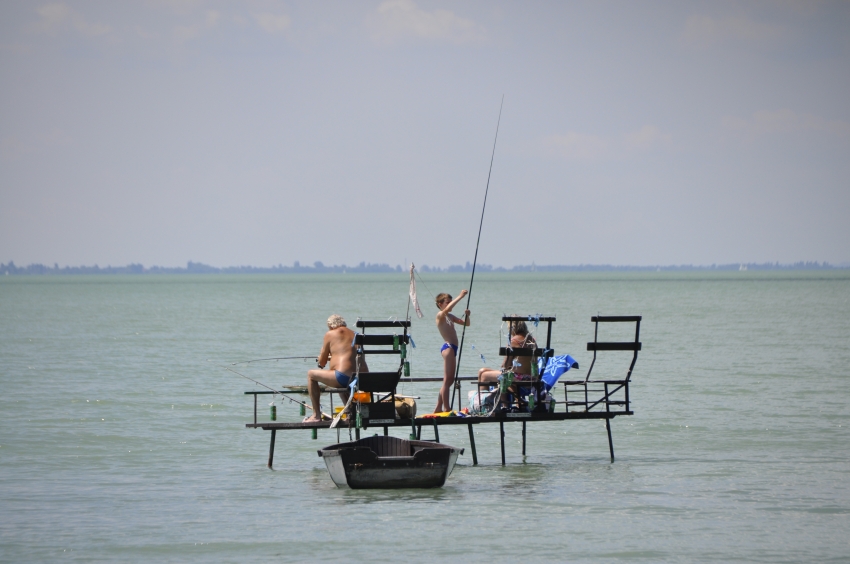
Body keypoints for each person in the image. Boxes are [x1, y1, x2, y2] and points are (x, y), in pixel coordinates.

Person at [304, 314, 364, 422]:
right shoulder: (356, 334)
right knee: (339, 382)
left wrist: (322, 358)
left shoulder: (330, 334)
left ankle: (316, 415)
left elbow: (321, 363)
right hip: (361, 379)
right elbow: (348, 355)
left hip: (343, 377)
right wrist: (332, 357)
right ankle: (350, 413)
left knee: (311, 375)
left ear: (330, 326)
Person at [478, 319, 536, 412]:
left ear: (512, 328)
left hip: (518, 377)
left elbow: (505, 366)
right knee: (483, 370)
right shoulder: (531, 340)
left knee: (484, 375)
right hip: (532, 377)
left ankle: (485, 406)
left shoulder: (514, 341)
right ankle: (512, 402)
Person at [433, 290, 470, 413]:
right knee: (447, 379)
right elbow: (447, 309)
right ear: (440, 304)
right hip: (448, 348)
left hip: (453, 348)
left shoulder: (450, 317)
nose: (450, 304)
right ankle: (446, 407)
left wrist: (467, 315)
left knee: (450, 380)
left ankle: (438, 407)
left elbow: (466, 324)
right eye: (447, 302)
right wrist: (460, 296)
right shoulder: (440, 315)